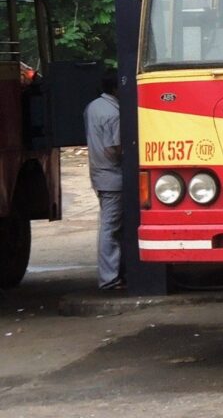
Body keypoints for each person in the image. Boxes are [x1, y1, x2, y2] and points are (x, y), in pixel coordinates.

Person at [85, 69, 124, 291]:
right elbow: (114, 149)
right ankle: (109, 278)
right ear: (116, 89)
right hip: (113, 176)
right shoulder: (114, 113)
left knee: (109, 226)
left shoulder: (93, 107)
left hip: (99, 173)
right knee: (111, 228)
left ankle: (112, 275)